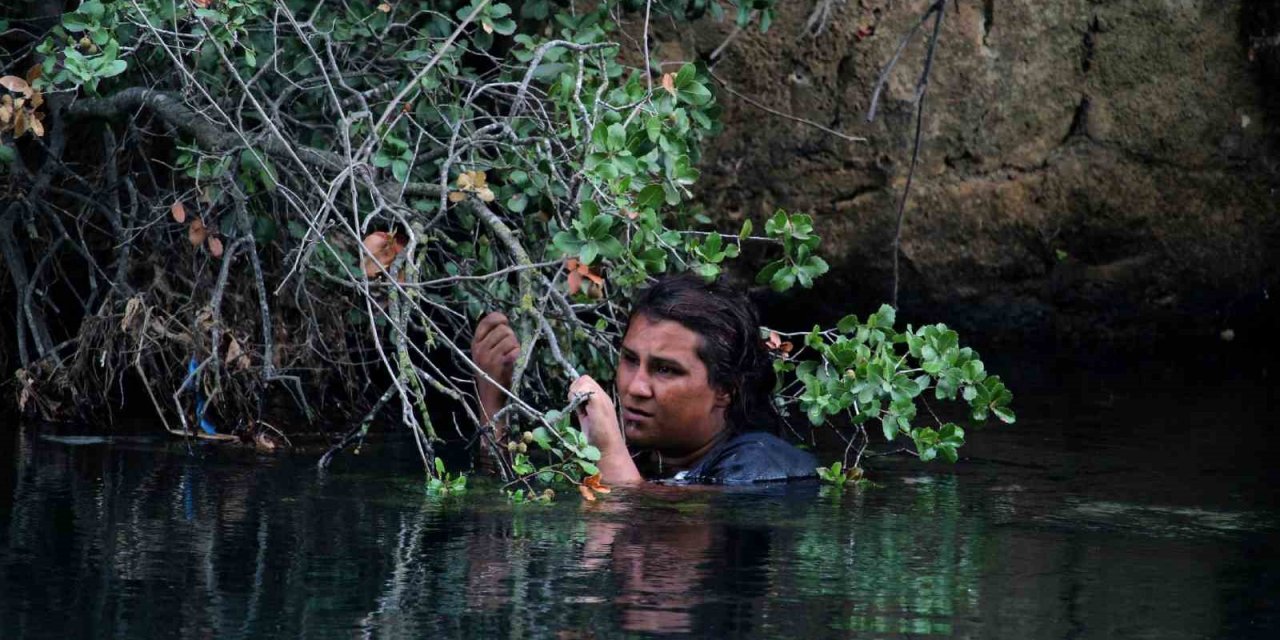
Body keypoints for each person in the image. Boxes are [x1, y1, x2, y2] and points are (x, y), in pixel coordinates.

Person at [470, 272, 816, 485]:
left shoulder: (761, 464)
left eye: (665, 369)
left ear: (724, 389)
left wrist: (607, 451)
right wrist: (493, 399)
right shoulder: (647, 457)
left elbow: (647, 518)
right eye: (630, 360)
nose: (635, 387)